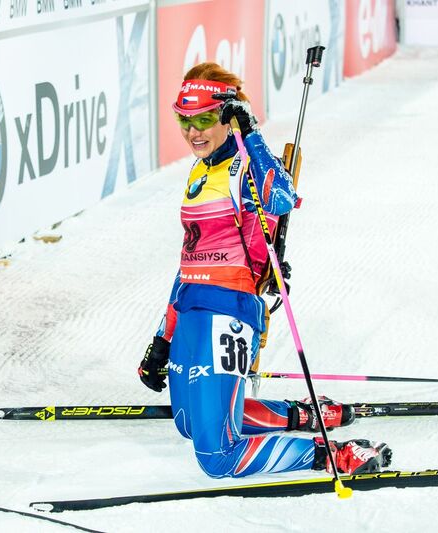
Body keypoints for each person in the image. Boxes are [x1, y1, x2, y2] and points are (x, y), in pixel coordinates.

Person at [138, 62, 392, 478]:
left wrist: (251, 134)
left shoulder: (246, 165)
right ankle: (303, 415)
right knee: (187, 424)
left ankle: (334, 454)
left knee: (218, 458)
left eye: (204, 119)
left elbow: (282, 198)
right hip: (192, 306)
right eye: (184, 121)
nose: (193, 131)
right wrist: (162, 337)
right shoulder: (200, 171)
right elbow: (188, 259)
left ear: (227, 115)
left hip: (227, 312)